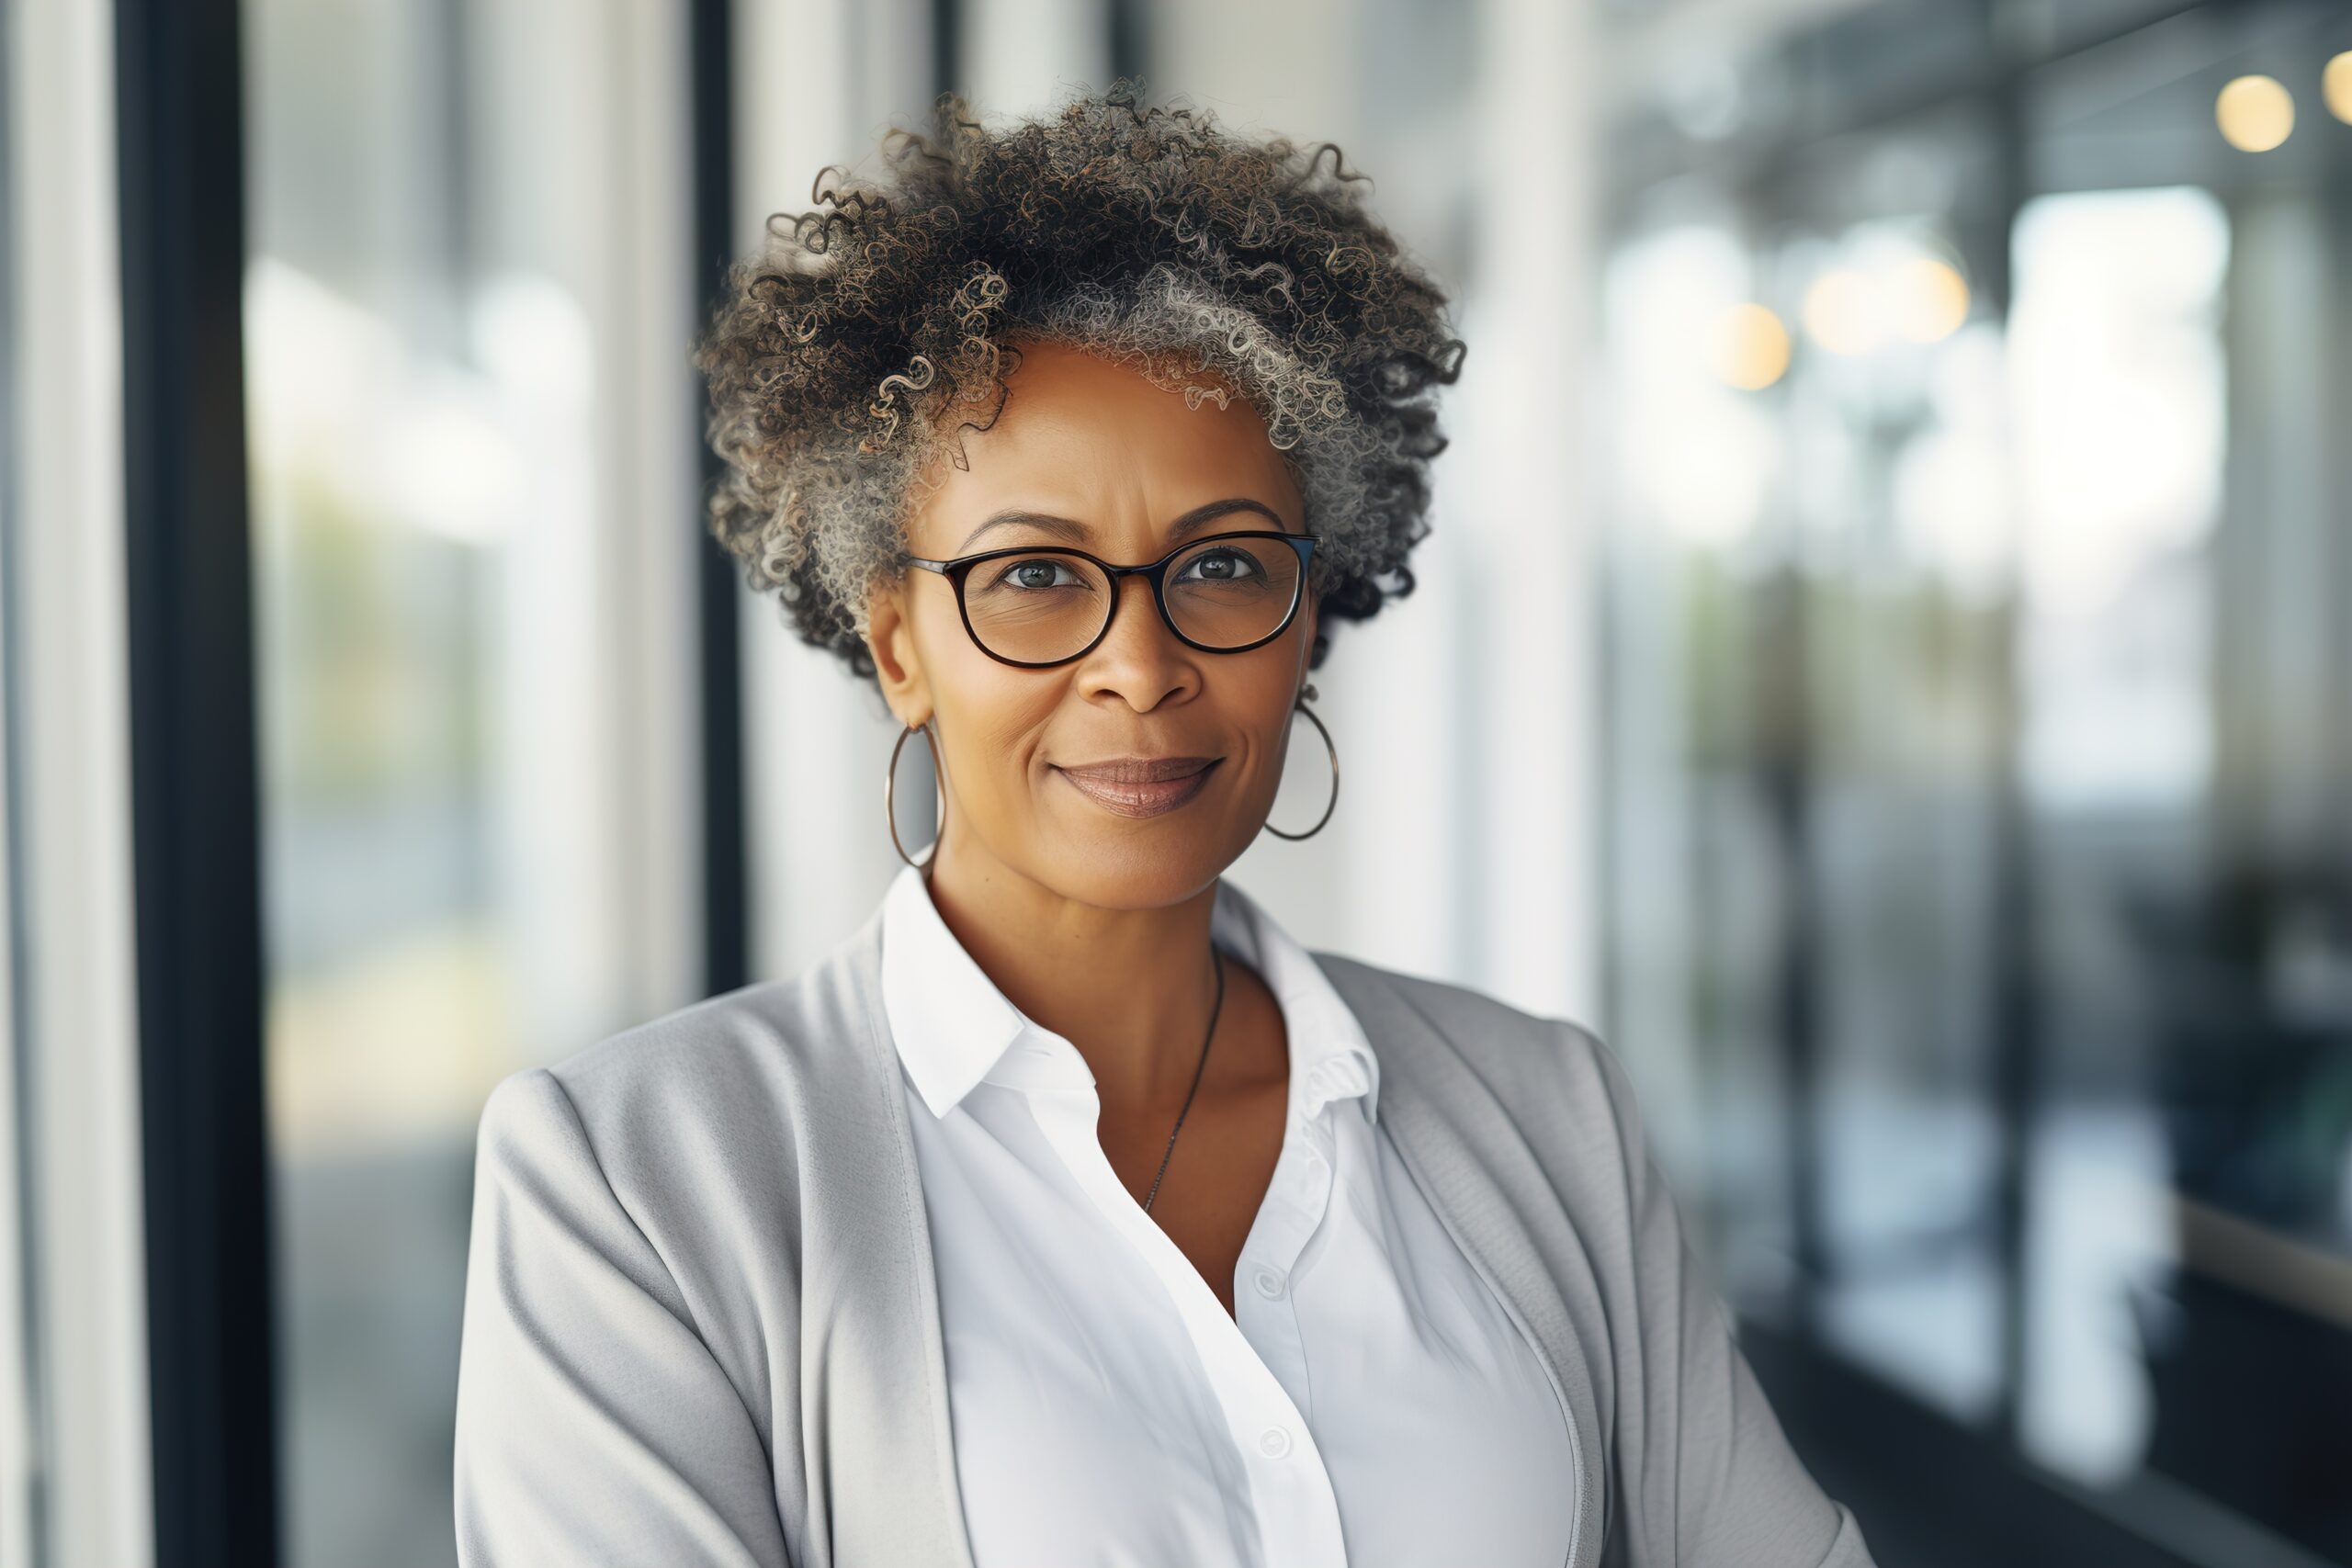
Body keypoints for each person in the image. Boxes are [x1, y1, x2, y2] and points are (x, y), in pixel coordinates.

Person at [451, 80, 1878, 1568]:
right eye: (1034, 577)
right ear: (896, 647)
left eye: (1222, 565)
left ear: (1309, 616)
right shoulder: (635, 1187)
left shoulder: (1547, 1116)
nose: (1141, 664)